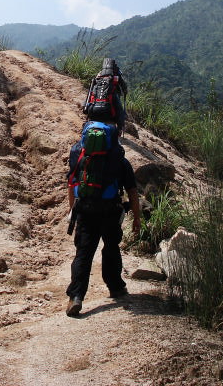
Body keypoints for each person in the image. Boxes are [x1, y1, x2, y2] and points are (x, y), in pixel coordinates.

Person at [65, 134, 141, 317]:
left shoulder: (80, 155)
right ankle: (116, 287)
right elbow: (132, 191)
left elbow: (72, 184)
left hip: (85, 210)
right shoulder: (119, 159)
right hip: (111, 211)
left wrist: (72, 211)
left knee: (83, 253)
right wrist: (137, 218)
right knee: (111, 248)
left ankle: (76, 297)